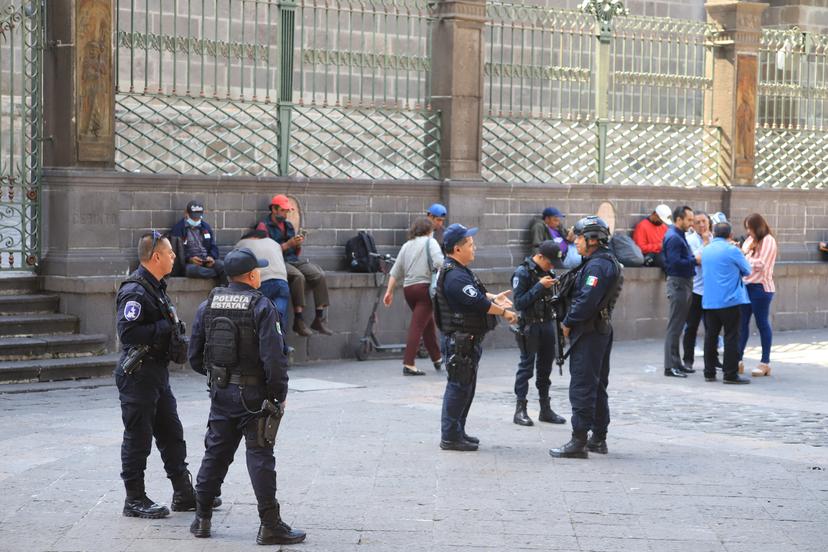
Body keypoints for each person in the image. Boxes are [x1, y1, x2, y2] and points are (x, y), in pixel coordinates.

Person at [188, 248, 306, 545]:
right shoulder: (262, 307)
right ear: (253, 275)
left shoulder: (208, 305)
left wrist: (220, 379)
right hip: (254, 397)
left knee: (215, 453)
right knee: (260, 456)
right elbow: (274, 359)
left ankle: (202, 517)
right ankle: (270, 524)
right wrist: (278, 396)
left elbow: (193, 356)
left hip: (221, 392)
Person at [115, 231, 220, 518]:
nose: (175, 256)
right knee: (138, 437)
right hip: (138, 374)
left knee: (172, 434)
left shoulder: (155, 286)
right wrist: (165, 329)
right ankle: (134, 499)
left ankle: (183, 493)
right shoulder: (136, 290)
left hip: (156, 373)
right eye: (170, 252)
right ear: (156, 256)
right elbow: (128, 332)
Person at [434, 223, 517, 451]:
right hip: (460, 341)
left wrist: (494, 297)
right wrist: (504, 312)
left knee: (465, 388)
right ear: (457, 249)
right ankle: (450, 436)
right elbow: (477, 302)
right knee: (458, 387)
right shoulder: (454, 276)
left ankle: (458, 431)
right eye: (470, 245)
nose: (474, 248)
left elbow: (476, 293)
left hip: (468, 340)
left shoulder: (459, 271)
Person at [549, 216, 622, 459]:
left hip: (589, 331)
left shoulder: (598, 266)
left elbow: (587, 299)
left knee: (583, 385)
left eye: (579, 238)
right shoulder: (597, 261)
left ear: (592, 239)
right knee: (596, 384)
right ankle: (598, 438)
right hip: (596, 329)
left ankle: (579, 440)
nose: (575, 242)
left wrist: (568, 322)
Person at [257, 194, 332, 337]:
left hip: (292, 259)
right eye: (283, 210)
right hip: (277, 261)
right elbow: (264, 251)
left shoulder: (288, 225)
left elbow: (295, 252)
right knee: (298, 277)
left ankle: (319, 317)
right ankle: (299, 319)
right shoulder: (263, 226)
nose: (286, 214)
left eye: (287, 211)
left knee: (318, 274)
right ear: (274, 209)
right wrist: (287, 245)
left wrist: (297, 244)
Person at [511, 240, 567, 427]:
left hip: (547, 325)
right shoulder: (523, 272)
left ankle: (545, 409)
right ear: (540, 257)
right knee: (526, 368)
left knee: (545, 370)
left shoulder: (548, 273)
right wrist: (539, 286)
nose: (552, 267)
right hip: (530, 325)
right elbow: (519, 303)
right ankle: (520, 409)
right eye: (549, 262)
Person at [383, 217, 444, 376]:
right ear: (429, 230)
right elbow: (439, 262)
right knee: (417, 326)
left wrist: (388, 292)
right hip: (424, 289)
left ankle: (437, 358)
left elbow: (395, 271)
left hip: (408, 290)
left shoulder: (406, 246)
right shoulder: (431, 242)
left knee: (427, 324)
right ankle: (408, 363)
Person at [701, 222, 752, 384]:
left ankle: (709, 372)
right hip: (729, 300)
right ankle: (730, 374)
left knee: (710, 336)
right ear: (730, 235)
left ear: (714, 233)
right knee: (731, 337)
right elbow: (747, 270)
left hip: (709, 301)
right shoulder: (732, 250)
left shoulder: (706, 250)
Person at [738, 214, 778, 377]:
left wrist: (744, 257)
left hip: (761, 288)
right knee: (742, 323)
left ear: (758, 227)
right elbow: (741, 258)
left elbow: (761, 264)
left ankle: (765, 362)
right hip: (746, 286)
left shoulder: (768, 240)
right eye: (747, 228)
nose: (749, 231)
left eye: (751, 228)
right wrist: (744, 256)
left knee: (762, 323)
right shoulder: (749, 240)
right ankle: (737, 359)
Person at [662, 205, 697, 378]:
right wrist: (694, 260)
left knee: (678, 326)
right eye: (689, 219)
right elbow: (674, 263)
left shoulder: (678, 235)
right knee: (674, 327)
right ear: (679, 220)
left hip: (683, 283)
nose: (692, 223)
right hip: (678, 283)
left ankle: (676, 363)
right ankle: (670, 366)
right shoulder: (674, 237)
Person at [236, 229, 291, 324]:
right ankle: (279, 336)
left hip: (262, 281)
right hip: (282, 281)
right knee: (278, 317)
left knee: (259, 317)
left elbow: (234, 264)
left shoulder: (242, 243)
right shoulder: (274, 243)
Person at [682, 212, 713, 372]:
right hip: (695, 289)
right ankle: (688, 360)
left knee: (712, 328)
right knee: (691, 327)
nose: (702, 225)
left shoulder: (715, 239)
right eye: (698, 222)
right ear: (692, 225)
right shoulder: (690, 240)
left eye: (704, 221)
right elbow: (698, 259)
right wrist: (706, 244)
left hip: (711, 291)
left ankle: (712, 360)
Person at [169, 200, 227, 283]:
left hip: (206, 260)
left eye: (198, 218)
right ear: (186, 214)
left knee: (222, 265)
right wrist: (189, 259)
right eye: (193, 218)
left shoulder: (205, 227)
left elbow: (213, 246)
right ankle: (217, 274)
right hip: (190, 263)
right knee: (191, 270)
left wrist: (211, 257)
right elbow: (177, 251)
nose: (196, 220)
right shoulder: (178, 229)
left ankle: (224, 287)